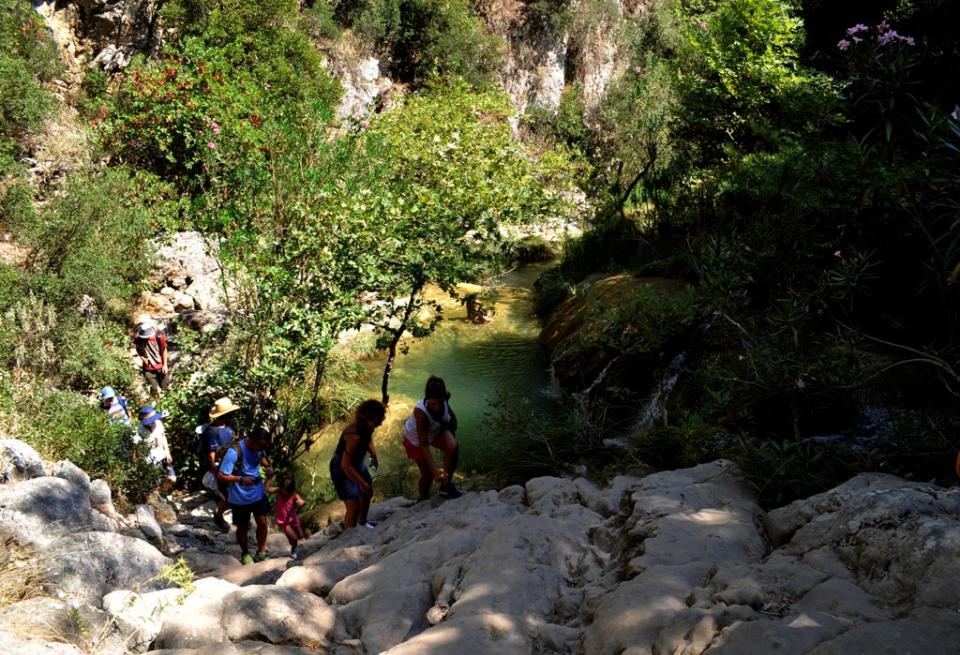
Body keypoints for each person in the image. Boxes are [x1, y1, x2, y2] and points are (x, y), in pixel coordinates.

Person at [217, 426, 273, 565]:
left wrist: (267, 467)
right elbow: (221, 475)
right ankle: (245, 553)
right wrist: (241, 479)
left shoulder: (259, 447)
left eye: (263, 447)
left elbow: (262, 456)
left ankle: (261, 551)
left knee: (263, 522)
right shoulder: (234, 453)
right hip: (239, 497)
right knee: (242, 527)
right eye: (259, 446)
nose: (261, 449)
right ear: (252, 440)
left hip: (258, 493)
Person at [402, 376, 462, 500]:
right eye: (433, 403)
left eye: (440, 403)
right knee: (428, 475)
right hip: (416, 440)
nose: (437, 407)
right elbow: (424, 444)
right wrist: (434, 470)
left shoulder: (445, 397)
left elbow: (452, 425)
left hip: (434, 431)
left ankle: (446, 486)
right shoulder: (421, 412)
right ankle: (423, 499)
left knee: (453, 446)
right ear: (427, 399)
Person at [330, 399, 385, 529]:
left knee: (367, 492)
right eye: (377, 421)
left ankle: (363, 522)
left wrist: (374, 455)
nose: (379, 424)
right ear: (366, 418)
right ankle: (350, 534)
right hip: (341, 467)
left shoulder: (367, 428)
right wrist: (361, 483)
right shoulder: (353, 436)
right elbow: (345, 465)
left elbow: (368, 439)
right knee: (353, 505)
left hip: (356, 462)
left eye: (380, 421)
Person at [200, 397, 241, 533]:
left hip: (231, 466)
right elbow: (211, 455)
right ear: (224, 415)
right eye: (230, 414)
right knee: (230, 496)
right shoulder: (211, 433)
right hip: (221, 468)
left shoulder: (229, 429)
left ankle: (238, 517)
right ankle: (218, 517)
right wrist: (216, 470)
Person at [136, 406, 177, 490]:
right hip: (150, 460)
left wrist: (167, 453)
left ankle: (164, 491)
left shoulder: (158, 422)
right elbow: (138, 448)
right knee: (156, 484)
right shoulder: (138, 430)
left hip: (162, 455)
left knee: (172, 478)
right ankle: (160, 496)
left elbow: (163, 437)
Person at [267, 477, 305, 559]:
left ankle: (293, 543)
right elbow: (267, 489)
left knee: (301, 536)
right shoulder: (279, 491)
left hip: (293, 519)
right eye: (283, 490)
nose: (284, 493)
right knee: (294, 538)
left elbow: (300, 500)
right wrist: (268, 478)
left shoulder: (294, 494)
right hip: (283, 521)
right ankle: (294, 549)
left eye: (287, 491)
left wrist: (301, 502)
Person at [134, 317, 171, 398]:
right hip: (148, 370)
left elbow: (164, 350)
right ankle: (156, 404)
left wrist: (165, 365)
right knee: (155, 390)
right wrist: (143, 358)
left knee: (165, 388)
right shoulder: (138, 338)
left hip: (161, 367)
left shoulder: (158, 337)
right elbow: (137, 349)